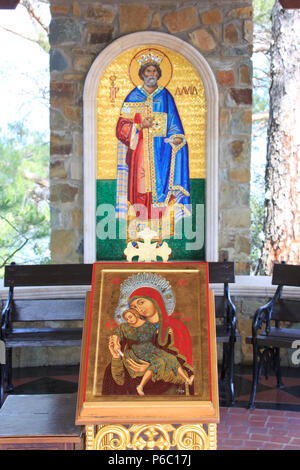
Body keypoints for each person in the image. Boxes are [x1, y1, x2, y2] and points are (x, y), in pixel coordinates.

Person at [115, 50, 190, 241]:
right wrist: (139, 125)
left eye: (154, 72)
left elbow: (175, 125)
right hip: (139, 154)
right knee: (140, 191)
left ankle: (159, 235)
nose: (151, 75)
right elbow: (121, 127)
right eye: (148, 71)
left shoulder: (166, 97)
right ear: (142, 74)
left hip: (161, 154)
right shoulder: (133, 96)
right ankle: (136, 235)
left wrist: (176, 138)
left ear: (159, 74)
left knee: (160, 193)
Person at [103, 273, 194, 396]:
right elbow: (119, 376)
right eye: (133, 307)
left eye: (141, 302)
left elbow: (184, 367)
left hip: (168, 390)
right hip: (132, 387)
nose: (138, 309)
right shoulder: (131, 330)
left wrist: (150, 370)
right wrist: (116, 357)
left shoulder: (176, 328)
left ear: (155, 299)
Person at [111, 307, 194, 396]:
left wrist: (166, 331)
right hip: (138, 351)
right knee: (159, 362)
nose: (129, 320)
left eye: (130, 317)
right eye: (126, 319)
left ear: (136, 315)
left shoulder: (148, 325)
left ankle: (187, 379)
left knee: (171, 358)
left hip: (151, 349)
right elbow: (116, 333)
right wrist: (116, 343)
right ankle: (140, 386)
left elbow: (157, 332)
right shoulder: (124, 327)